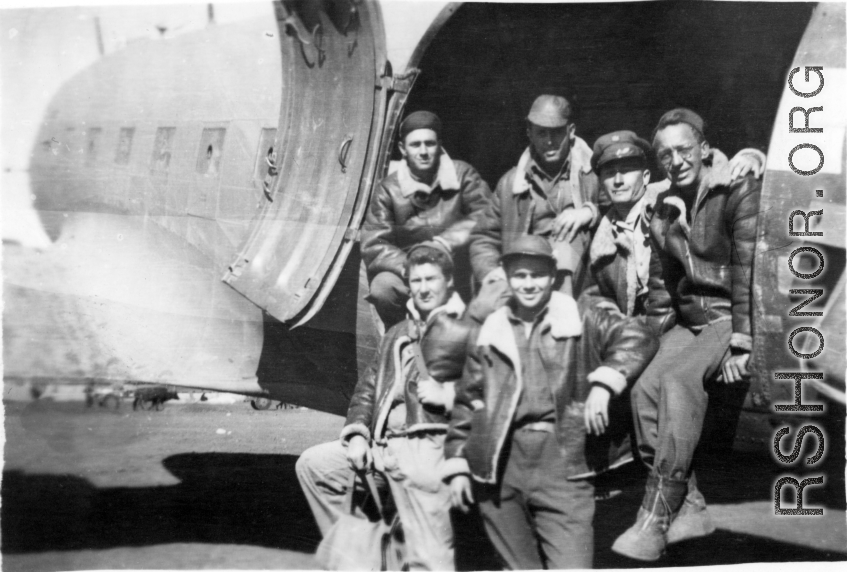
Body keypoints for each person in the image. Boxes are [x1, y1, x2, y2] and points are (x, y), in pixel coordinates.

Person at [443, 235, 659, 569]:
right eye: (520, 275)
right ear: (507, 276)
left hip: (562, 462)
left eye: (537, 274)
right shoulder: (491, 330)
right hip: (500, 464)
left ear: (552, 276)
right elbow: (468, 402)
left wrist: (603, 383)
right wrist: (457, 465)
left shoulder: (580, 316)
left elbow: (639, 335)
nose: (528, 284)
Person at [611, 109, 762, 561]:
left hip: (725, 319)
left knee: (678, 383)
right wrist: (650, 345)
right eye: (665, 155)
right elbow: (661, 286)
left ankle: (656, 514)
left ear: (704, 148)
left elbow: (748, 270)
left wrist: (743, 341)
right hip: (688, 320)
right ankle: (691, 505)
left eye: (683, 149)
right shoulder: (662, 206)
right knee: (644, 388)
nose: (675, 160)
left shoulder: (737, 186)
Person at [296, 242, 475, 570]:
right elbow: (366, 390)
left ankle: (401, 548)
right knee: (315, 466)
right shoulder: (398, 332)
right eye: (416, 281)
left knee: (431, 559)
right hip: (381, 447)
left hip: (427, 448)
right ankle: (367, 549)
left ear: (448, 282)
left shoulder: (465, 329)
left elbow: (491, 392)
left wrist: (451, 393)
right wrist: (359, 435)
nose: (422, 289)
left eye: (431, 280)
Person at [468, 94, 600, 321]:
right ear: (529, 133)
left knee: (566, 247)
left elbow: (620, 209)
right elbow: (483, 236)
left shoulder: (593, 173)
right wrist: (492, 270)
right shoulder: (511, 183)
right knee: (481, 311)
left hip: (579, 277)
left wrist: (590, 211)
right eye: (541, 132)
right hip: (523, 274)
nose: (549, 141)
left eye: (556, 132)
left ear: (570, 131)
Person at [361, 111, 491, 328]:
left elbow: (487, 215)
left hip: (457, 268)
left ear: (439, 145)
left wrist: (445, 242)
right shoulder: (388, 189)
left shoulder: (463, 174)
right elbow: (375, 243)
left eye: (429, 144)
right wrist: (412, 266)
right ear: (403, 149)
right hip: (412, 272)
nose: (423, 151)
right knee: (383, 286)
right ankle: (404, 338)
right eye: (415, 145)